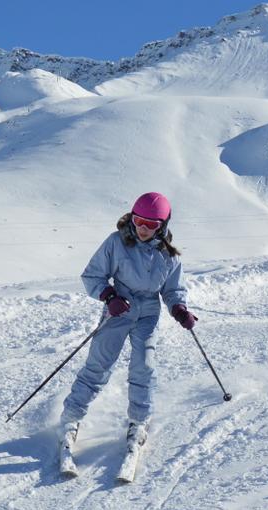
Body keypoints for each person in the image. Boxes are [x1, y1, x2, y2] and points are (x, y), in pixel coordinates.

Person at [58, 192, 197, 464]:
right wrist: (109, 296)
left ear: (163, 226)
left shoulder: (169, 257)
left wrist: (179, 309)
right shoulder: (116, 243)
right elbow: (92, 275)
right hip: (119, 309)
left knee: (144, 366)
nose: (143, 229)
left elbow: (173, 290)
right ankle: (71, 419)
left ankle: (138, 422)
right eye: (139, 221)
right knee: (99, 364)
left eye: (151, 224)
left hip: (148, 313)